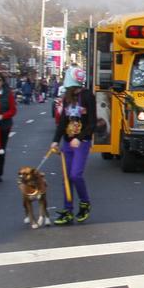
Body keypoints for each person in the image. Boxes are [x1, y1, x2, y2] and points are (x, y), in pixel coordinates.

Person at [49, 67, 96, 225]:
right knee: (67, 177)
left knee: (76, 174)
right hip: (67, 142)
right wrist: (56, 140)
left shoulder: (88, 96)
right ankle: (67, 209)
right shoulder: (67, 98)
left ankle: (84, 203)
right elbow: (63, 121)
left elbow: (92, 123)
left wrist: (81, 138)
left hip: (82, 142)